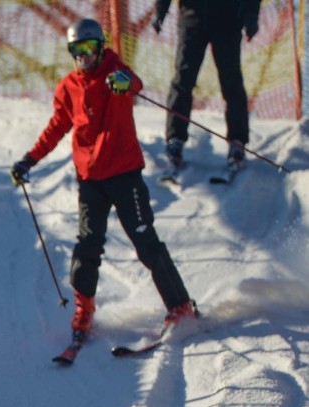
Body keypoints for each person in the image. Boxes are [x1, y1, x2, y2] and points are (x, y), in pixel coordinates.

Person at [10, 18, 197, 342]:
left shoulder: (115, 72)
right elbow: (56, 128)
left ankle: (180, 305)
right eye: (76, 50)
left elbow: (133, 82)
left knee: (146, 242)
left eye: (88, 48)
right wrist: (29, 160)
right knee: (87, 246)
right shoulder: (68, 87)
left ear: (100, 47)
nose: (83, 56)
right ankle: (84, 310)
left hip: (125, 173)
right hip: (90, 180)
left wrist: (125, 81)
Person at [153, 0, 260, 170]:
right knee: (183, 79)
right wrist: (160, 11)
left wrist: (251, 14)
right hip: (192, 17)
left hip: (228, 19)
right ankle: (175, 139)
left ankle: (237, 141)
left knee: (231, 81)